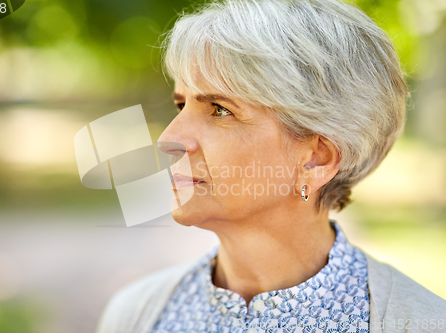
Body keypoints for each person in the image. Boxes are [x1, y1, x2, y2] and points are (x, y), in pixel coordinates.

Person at [96, 0, 446, 332]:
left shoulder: (419, 323)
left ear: (316, 158)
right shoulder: (136, 316)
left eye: (219, 109)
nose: (169, 138)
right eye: (180, 105)